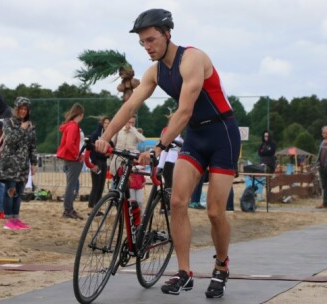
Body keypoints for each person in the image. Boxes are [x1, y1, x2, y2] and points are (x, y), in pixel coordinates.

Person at [95, 9, 240, 299]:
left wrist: (160, 146)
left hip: (222, 133)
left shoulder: (193, 60)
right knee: (176, 201)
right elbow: (130, 106)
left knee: (214, 211)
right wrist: (105, 136)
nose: (147, 47)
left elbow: (185, 110)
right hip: (196, 137)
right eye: (142, 43)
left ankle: (222, 266)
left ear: (167, 34)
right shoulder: (155, 72)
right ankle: (184, 273)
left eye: (151, 40)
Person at [0, 97, 37, 230]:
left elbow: (32, 145)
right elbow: (9, 139)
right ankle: (8, 219)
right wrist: (21, 128)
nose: (23, 111)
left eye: (26, 109)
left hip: (23, 166)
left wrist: (33, 163)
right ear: (16, 109)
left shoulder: (30, 125)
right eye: (21, 108)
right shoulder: (8, 122)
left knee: (19, 192)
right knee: (10, 190)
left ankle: (16, 218)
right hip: (10, 164)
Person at [56, 103, 85, 220]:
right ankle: (68, 209)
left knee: (71, 184)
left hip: (69, 158)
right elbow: (70, 143)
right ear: (81, 114)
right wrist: (77, 155)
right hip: (73, 159)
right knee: (71, 185)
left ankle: (69, 208)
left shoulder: (69, 125)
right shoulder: (74, 126)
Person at [109, 114, 146, 178]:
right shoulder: (119, 130)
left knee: (128, 181)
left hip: (129, 161)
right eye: (129, 122)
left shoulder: (136, 132)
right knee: (114, 180)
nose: (130, 124)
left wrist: (134, 131)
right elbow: (112, 142)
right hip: (117, 160)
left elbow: (143, 140)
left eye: (132, 122)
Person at [87, 116, 110, 216]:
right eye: (105, 123)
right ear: (102, 124)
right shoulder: (96, 134)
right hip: (97, 162)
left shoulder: (109, 136)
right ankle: (90, 208)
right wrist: (94, 163)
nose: (107, 125)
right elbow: (91, 150)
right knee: (95, 186)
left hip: (104, 162)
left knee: (101, 186)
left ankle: (97, 208)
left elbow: (111, 146)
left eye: (109, 123)